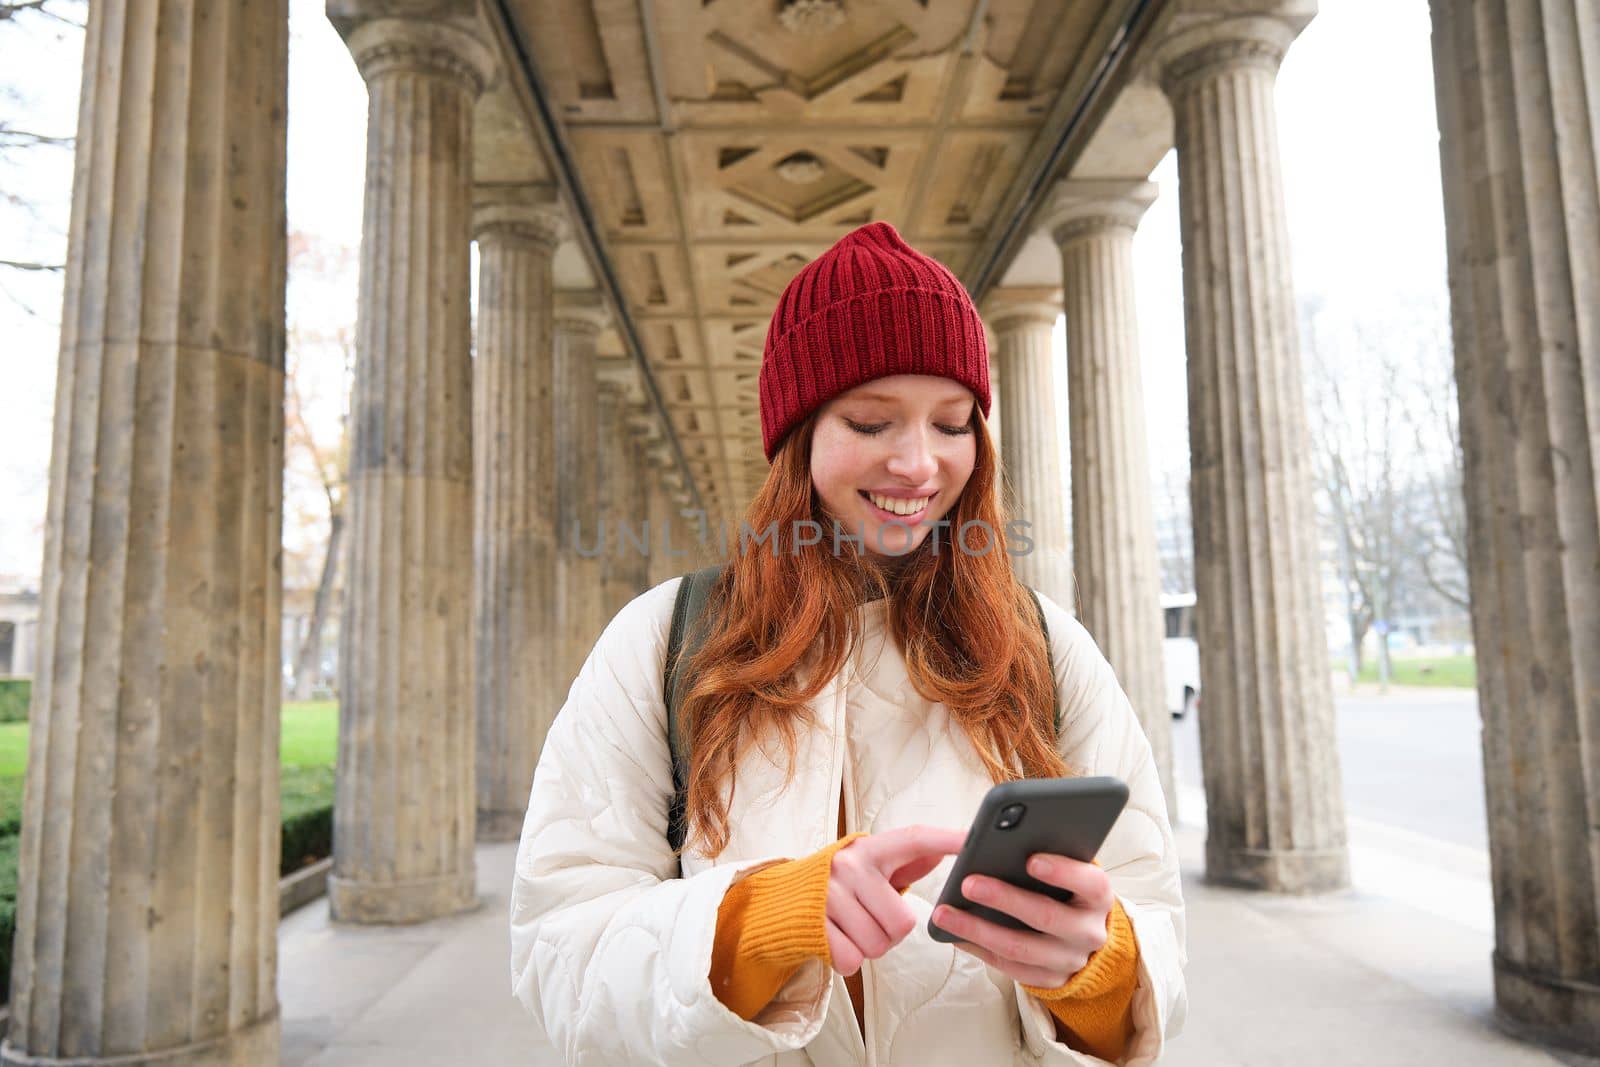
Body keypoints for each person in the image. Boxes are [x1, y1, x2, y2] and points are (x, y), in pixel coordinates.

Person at [509, 221, 1187, 1066]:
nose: (919, 463)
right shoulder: (660, 642)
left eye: (951, 423)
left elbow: (1152, 916)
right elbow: (556, 949)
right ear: (797, 437)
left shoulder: (1048, 646)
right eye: (871, 421)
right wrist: (757, 926)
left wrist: (1100, 969)